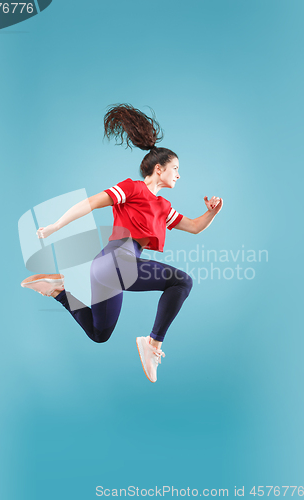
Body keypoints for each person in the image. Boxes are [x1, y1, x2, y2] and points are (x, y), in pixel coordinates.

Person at [21, 104, 223, 383]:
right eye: (175, 168)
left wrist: (212, 212)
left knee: (99, 334)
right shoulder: (132, 188)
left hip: (109, 273)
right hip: (116, 262)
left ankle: (60, 291)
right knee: (182, 282)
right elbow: (91, 203)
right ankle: (153, 344)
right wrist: (56, 225)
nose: (178, 174)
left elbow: (195, 227)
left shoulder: (164, 207)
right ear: (159, 168)